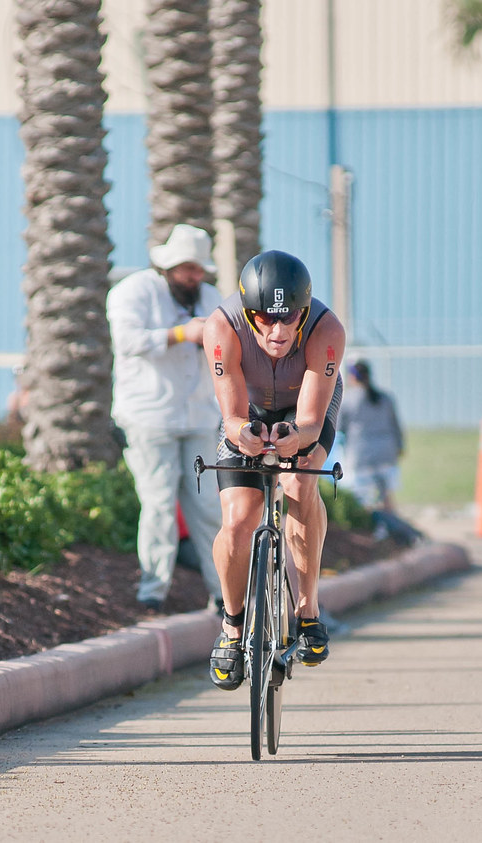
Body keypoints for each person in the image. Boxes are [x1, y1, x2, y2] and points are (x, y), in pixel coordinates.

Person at [202, 250, 346, 690]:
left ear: (304, 311)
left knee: (301, 483)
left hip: (305, 408)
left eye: (289, 319)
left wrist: (295, 438)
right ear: (249, 313)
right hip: (248, 408)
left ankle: (307, 612)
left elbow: (310, 421)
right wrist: (245, 433)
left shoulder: (327, 330)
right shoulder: (221, 328)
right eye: (265, 319)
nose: (278, 331)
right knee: (239, 519)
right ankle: (231, 625)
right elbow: (231, 417)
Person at [107, 224, 223, 612]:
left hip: (200, 416)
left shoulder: (211, 297)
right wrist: (178, 334)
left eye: (198, 269)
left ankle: (225, 594)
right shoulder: (133, 291)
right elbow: (127, 341)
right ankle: (152, 594)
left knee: (209, 508)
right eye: (187, 268)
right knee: (158, 505)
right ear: (168, 266)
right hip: (148, 416)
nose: (194, 276)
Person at [338, 360, 405, 512]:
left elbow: (338, 427)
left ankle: (370, 528)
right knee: (386, 494)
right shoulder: (385, 398)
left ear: (352, 377)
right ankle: (390, 526)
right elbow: (396, 425)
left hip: (361, 454)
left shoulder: (348, 399)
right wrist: (400, 446)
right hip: (386, 452)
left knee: (363, 497)